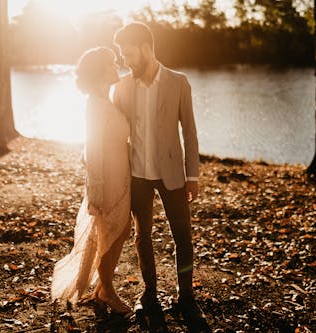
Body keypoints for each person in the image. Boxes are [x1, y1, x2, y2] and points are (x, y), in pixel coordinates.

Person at [113, 22, 211, 332]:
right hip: (137, 176)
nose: (125, 61)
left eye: (128, 54)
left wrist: (192, 175)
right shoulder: (123, 87)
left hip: (173, 176)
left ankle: (186, 296)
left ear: (145, 48)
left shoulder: (179, 82)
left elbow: (190, 133)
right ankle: (150, 292)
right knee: (143, 237)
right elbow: (116, 135)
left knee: (183, 237)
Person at [51, 47, 132, 318]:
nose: (116, 65)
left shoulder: (104, 99)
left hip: (120, 176)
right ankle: (107, 290)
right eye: (111, 63)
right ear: (99, 70)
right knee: (110, 233)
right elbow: (93, 148)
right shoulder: (96, 104)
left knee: (118, 232)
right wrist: (96, 190)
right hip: (107, 180)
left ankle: (102, 289)